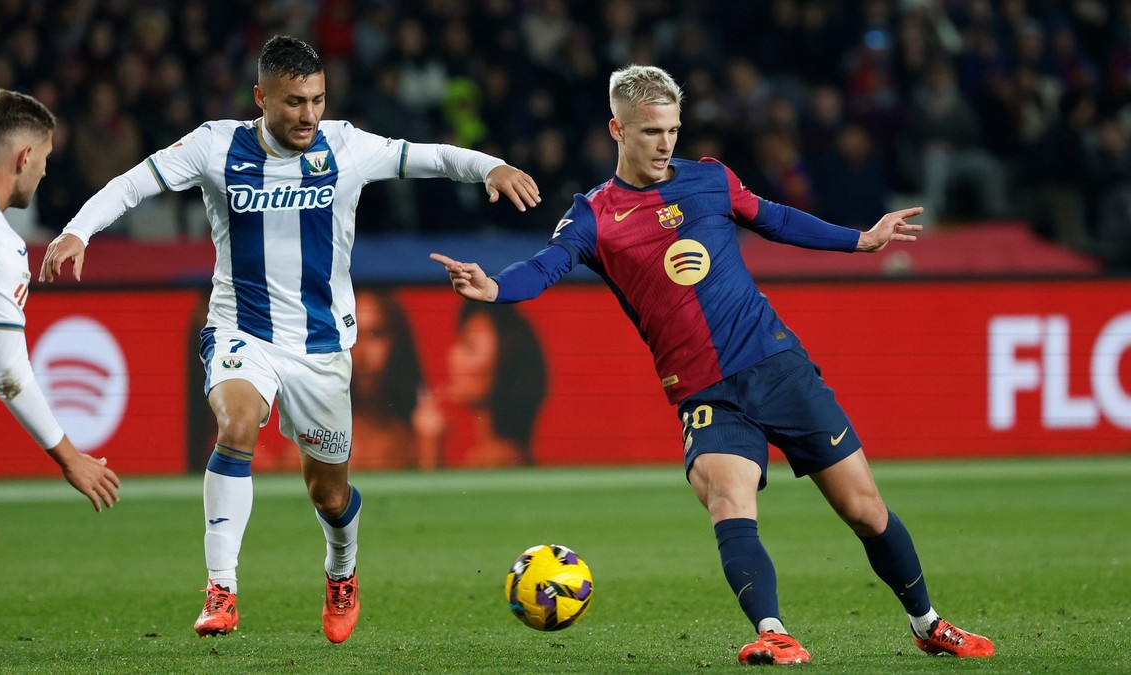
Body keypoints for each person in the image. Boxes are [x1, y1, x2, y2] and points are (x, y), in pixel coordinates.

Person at [431, 65, 993, 665]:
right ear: (616, 129)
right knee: (730, 500)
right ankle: (773, 631)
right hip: (704, 392)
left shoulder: (710, 180)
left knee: (864, 509)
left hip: (777, 365)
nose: (665, 143)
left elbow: (775, 218)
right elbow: (546, 265)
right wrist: (495, 289)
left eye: (672, 129)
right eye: (651, 131)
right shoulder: (595, 214)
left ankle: (927, 622)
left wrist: (861, 239)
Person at [37, 35, 539, 642]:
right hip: (240, 329)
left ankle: (342, 568)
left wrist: (492, 166)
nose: (308, 115)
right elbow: (133, 184)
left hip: (323, 345)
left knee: (329, 495)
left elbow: (425, 155)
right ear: (261, 97)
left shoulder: (346, 146)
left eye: (318, 100)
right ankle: (221, 588)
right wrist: (77, 230)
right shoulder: (215, 145)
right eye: (295, 102)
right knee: (236, 424)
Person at [0, 89, 121, 576]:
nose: (44, 172)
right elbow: (10, 376)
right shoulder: (0, 245)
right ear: (24, 156)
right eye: (45, 158)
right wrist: (69, 457)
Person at [416, 302, 547, 467]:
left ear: (506, 363)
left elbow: (433, 494)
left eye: (469, 346)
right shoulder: (506, 455)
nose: (453, 355)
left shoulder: (494, 462)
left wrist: (430, 450)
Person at [349, 288, 430, 471]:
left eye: (375, 334)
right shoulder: (312, 443)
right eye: (352, 336)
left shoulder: (418, 439)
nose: (362, 353)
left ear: (396, 343)